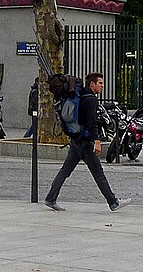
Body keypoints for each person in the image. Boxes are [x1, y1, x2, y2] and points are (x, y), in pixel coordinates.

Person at [44, 72, 129, 212]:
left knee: (65, 171)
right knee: (98, 173)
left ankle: (50, 198)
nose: (102, 86)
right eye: (100, 83)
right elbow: (92, 122)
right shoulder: (91, 99)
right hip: (85, 142)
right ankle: (113, 202)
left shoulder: (80, 95)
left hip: (76, 140)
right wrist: (96, 141)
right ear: (92, 84)